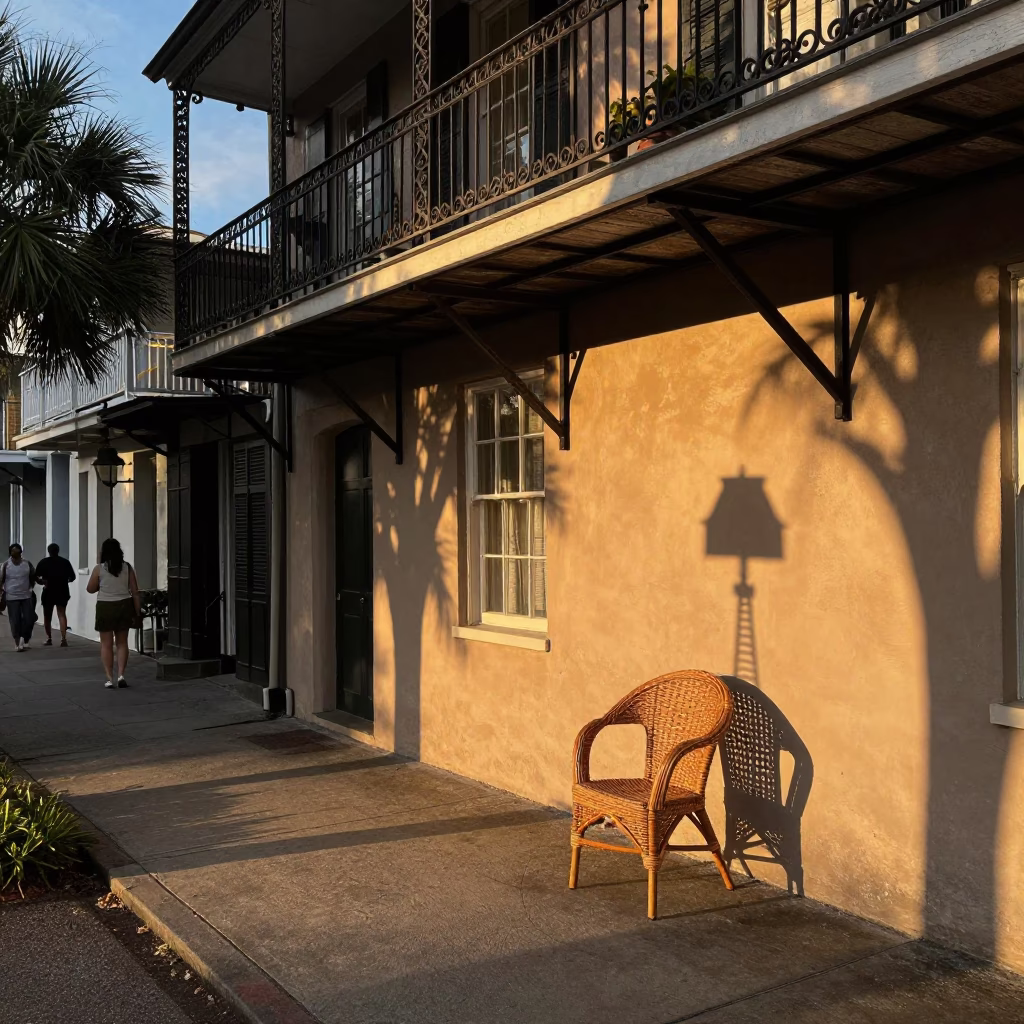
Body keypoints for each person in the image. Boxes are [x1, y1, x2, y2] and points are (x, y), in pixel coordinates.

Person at [86, 538, 140, 689]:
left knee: (106, 644)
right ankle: (121, 675)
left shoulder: (99, 569)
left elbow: (90, 589)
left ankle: (109, 678)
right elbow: (135, 592)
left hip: (105, 606)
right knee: (122, 643)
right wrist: (137, 611)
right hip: (124, 605)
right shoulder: (127, 567)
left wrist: (101, 584)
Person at [35, 543, 76, 647]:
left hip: (48, 591)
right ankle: (63, 639)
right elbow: (72, 577)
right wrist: (65, 581)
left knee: (47, 616)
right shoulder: (65, 562)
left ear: (49, 551)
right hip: (62, 591)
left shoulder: (44, 562)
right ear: (58, 550)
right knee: (62, 614)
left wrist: (42, 582)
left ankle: (49, 638)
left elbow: (35, 576)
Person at [1, 543, 36, 651]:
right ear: (10, 553)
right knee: (15, 621)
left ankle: (25, 639)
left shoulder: (27, 563)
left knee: (29, 619)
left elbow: (33, 576)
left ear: (21, 552)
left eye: (17, 551)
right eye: (13, 551)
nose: (15, 553)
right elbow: (1, 580)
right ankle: (17, 642)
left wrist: (38, 583)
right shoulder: (6, 565)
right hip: (11, 597)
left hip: (26, 596)